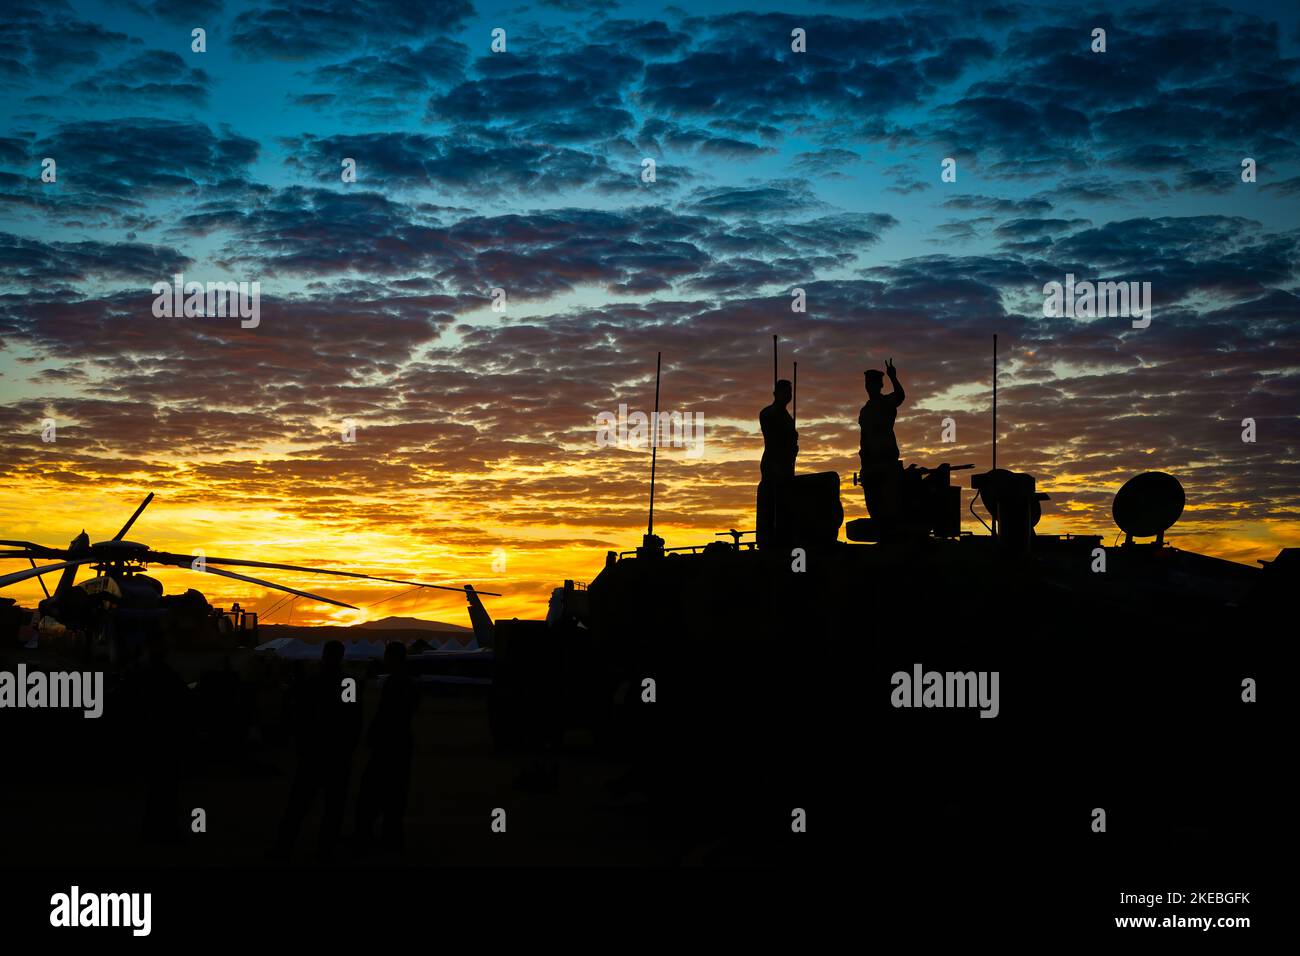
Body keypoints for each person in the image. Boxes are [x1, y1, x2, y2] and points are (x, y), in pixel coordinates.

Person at [270, 640, 359, 861]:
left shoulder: (313, 681)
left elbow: (299, 715)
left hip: (314, 751)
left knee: (300, 803)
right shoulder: (345, 683)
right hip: (335, 753)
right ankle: (324, 849)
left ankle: (284, 845)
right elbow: (351, 718)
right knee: (331, 806)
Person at [354, 642, 418, 851]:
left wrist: (373, 735)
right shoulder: (407, 682)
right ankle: (391, 836)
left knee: (374, 791)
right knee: (396, 794)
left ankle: (370, 837)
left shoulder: (395, 683)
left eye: (387, 656)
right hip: (400, 743)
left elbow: (386, 714)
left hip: (389, 745)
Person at [858, 359, 906, 533]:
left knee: (889, 506)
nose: (869, 386)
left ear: (879, 385)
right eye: (867, 383)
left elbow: (900, 396)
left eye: (872, 383)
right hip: (870, 465)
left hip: (886, 463)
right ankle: (884, 538)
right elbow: (864, 438)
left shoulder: (886, 402)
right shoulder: (865, 410)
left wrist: (893, 377)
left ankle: (891, 540)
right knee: (875, 507)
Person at [756, 379, 798, 549]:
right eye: (784, 391)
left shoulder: (786, 416)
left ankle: (782, 535)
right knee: (772, 499)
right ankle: (770, 538)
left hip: (786, 464)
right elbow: (773, 433)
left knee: (784, 502)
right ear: (776, 393)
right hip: (774, 463)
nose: (788, 395)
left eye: (790, 392)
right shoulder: (769, 413)